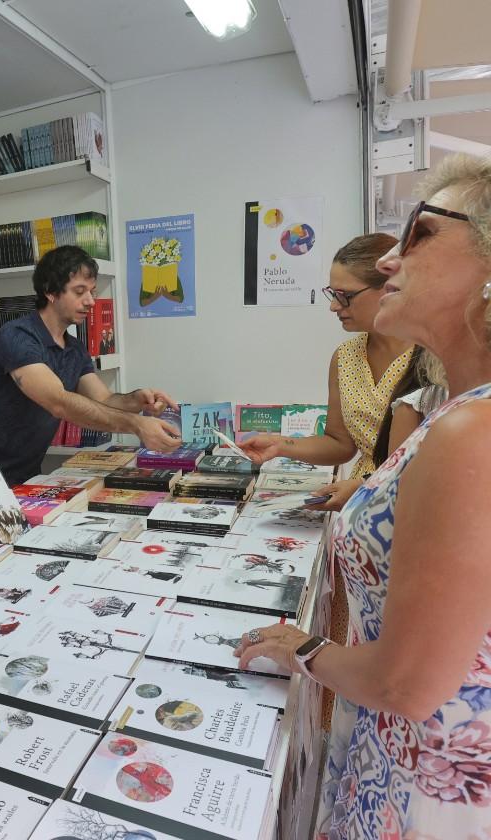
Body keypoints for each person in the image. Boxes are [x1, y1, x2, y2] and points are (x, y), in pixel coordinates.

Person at [234, 153, 491, 839]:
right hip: (408, 755)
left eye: (421, 234)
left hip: (422, 776)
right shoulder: (450, 409)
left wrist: (305, 650)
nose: (388, 263)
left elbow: (408, 681)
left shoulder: (470, 428)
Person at [0, 245, 181, 539]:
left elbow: (105, 400)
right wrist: (137, 425)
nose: (90, 301)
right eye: (79, 291)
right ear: (50, 291)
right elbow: (58, 403)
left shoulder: (74, 349)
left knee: (22, 550)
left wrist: (138, 400)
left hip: (26, 471)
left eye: (92, 291)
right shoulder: (18, 337)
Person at [239, 233, 418, 511]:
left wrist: (365, 487)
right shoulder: (346, 357)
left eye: (345, 296)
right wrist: (280, 445)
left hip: (412, 502)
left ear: (389, 286)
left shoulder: (432, 359)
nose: (334, 306)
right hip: (359, 510)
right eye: (332, 294)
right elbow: (340, 443)